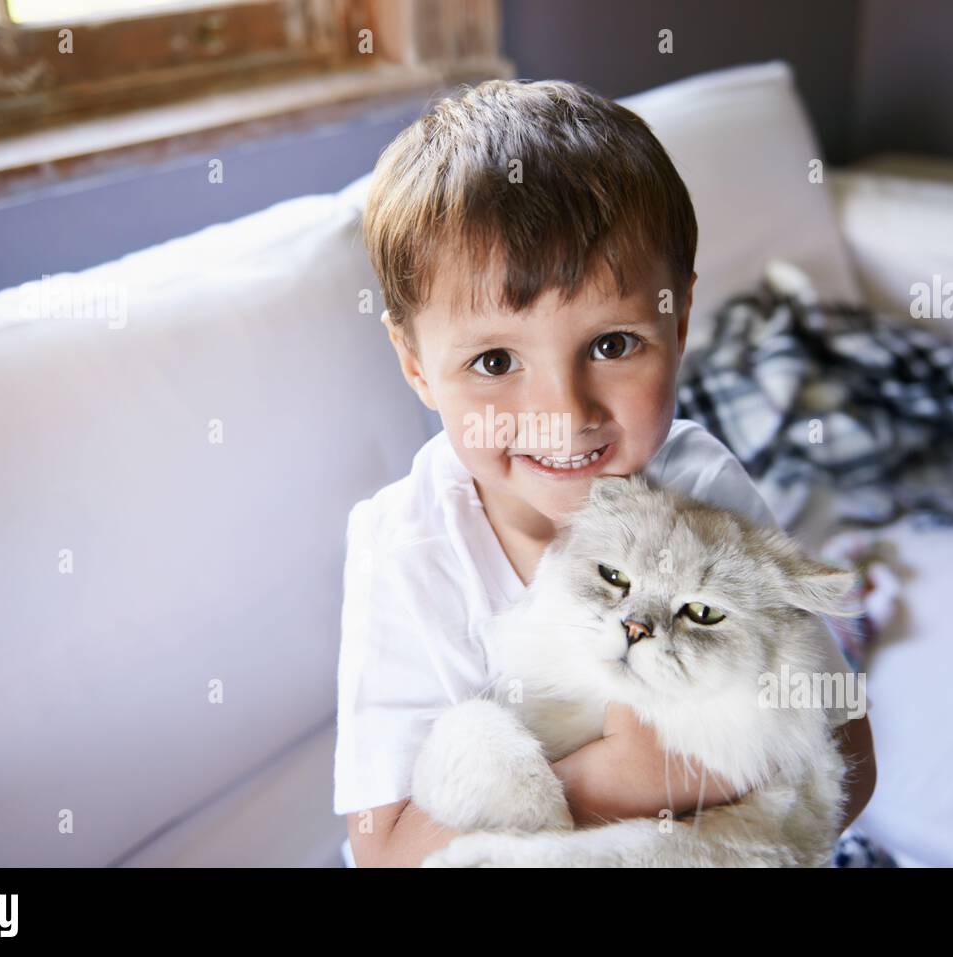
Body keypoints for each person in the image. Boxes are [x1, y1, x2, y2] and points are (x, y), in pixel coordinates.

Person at [334, 78, 877, 867]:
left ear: (680, 320)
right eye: (494, 360)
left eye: (613, 344)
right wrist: (622, 778)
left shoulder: (699, 481)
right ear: (416, 364)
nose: (563, 411)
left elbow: (849, 759)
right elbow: (385, 853)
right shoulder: (407, 546)